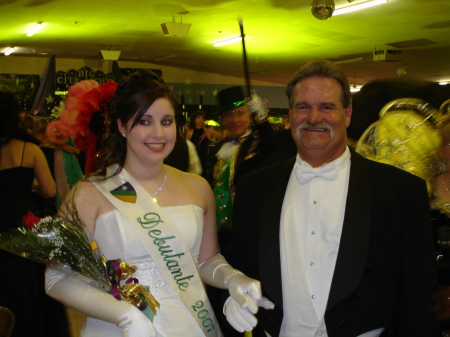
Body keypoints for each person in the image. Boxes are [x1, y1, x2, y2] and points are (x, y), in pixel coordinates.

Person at [45, 70, 271, 337]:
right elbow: (56, 277)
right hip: (117, 328)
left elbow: (206, 259)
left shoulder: (197, 187)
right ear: (121, 126)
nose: (158, 133)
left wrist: (232, 278)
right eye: (144, 121)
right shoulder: (90, 192)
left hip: (188, 324)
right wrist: (126, 316)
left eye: (166, 121)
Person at [222, 59, 439, 336]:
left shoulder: (400, 191)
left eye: (326, 106)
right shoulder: (255, 187)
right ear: (290, 113)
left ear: (347, 114)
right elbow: (238, 268)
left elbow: (418, 296)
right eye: (303, 106)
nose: (314, 117)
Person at [0, 91, 70, 337]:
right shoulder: (29, 150)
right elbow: (50, 189)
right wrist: (26, 184)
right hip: (22, 223)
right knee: (28, 286)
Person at [203, 86, 273, 246]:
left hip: (248, 232)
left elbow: (275, 145)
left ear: (250, 115)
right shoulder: (216, 149)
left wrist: (262, 120)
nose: (234, 120)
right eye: (228, 115)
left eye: (240, 113)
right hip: (217, 234)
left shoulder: (258, 145)